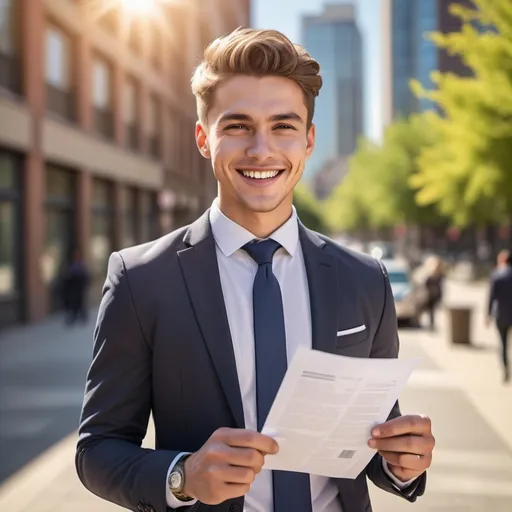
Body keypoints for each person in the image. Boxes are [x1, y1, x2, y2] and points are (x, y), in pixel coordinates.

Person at [75, 28, 434, 512]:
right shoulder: (141, 280)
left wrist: (400, 461)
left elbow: (366, 441)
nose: (261, 150)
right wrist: (182, 475)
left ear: (308, 141)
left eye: (283, 126)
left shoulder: (366, 279)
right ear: (204, 138)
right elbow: (97, 449)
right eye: (238, 126)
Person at [486, 249, 512, 383]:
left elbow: (491, 297)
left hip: (501, 314)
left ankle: (505, 368)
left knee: (503, 344)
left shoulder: (496, 275)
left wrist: (488, 314)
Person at [61, 249, 90, 325]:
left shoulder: (80, 265)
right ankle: (74, 317)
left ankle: (81, 316)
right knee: (73, 303)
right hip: (73, 289)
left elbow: (85, 276)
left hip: (79, 288)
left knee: (80, 302)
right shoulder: (71, 265)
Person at [423, 256, 445, 330]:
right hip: (430, 295)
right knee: (431, 311)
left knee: (432, 311)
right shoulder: (431, 276)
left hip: (434, 295)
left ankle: (432, 324)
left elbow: (441, 286)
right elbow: (426, 285)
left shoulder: (439, 276)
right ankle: (431, 324)